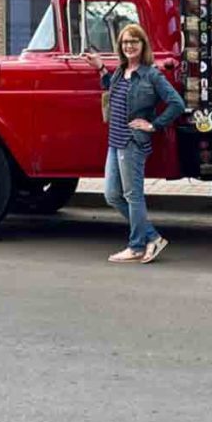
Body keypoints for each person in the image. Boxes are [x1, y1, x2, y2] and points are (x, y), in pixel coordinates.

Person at [83, 24, 186, 264]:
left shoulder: (151, 74)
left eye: (134, 42)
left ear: (143, 45)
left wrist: (153, 125)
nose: (129, 46)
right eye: (125, 42)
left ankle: (137, 246)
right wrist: (99, 67)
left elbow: (176, 103)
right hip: (115, 142)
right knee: (112, 195)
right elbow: (111, 88)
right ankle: (151, 236)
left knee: (132, 195)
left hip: (132, 143)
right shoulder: (120, 71)